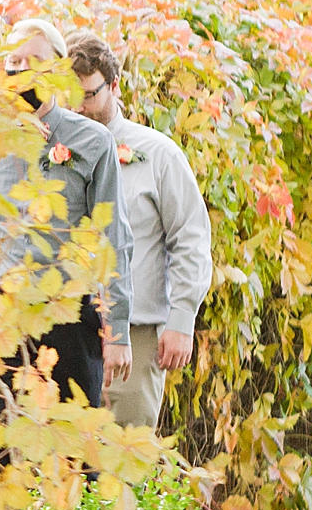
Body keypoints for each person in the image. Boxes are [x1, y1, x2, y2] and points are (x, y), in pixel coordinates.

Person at [0, 17, 133, 410]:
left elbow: (113, 239)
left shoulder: (93, 141)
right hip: (2, 320)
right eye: (15, 59)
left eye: (35, 59)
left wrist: (117, 333)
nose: (23, 68)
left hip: (71, 320)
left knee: (77, 459)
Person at [65, 29, 212, 429]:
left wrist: (182, 319)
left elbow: (191, 237)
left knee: (122, 468)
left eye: (90, 95)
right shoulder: (52, 155)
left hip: (136, 334)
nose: (79, 107)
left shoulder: (159, 156)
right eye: (70, 96)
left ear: (114, 86)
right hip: (64, 333)